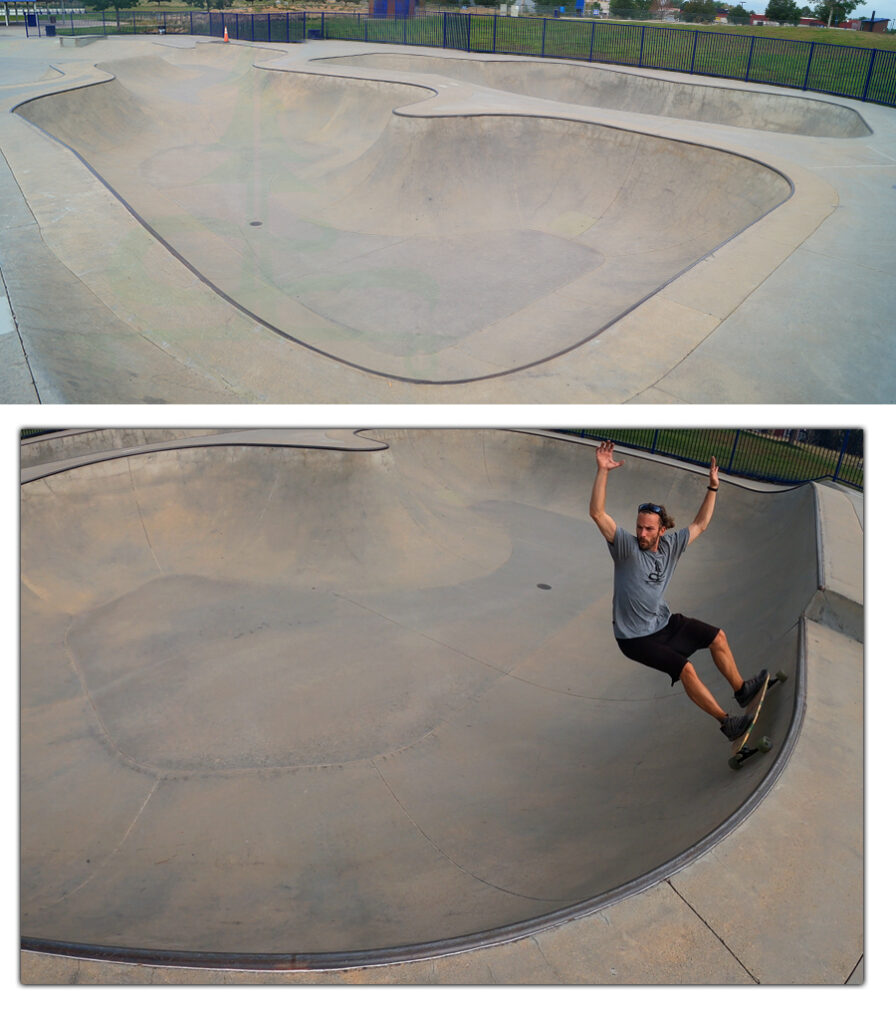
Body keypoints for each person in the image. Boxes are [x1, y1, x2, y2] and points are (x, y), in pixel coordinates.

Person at [588, 440, 768, 741]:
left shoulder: (672, 544)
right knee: (686, 670)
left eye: (648, 529)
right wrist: (603, 471)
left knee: (717, 637)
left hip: (663, 622)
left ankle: (741, 690)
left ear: (662, 530)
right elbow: (597, 513)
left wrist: (713, 487)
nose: (641, 534)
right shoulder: (625, 548)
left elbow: (701, 524)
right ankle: (727, 723)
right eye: (639, 527)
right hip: (634, 638)